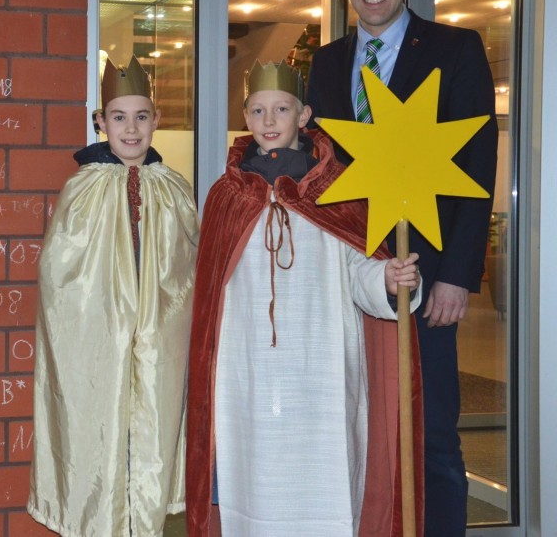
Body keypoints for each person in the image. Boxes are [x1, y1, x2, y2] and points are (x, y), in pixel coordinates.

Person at [306, 0, 499, 536]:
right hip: (349, 281)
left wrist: (457, 279)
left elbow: (476, 170)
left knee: (434, 439)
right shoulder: (327, 64)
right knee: (357, 432)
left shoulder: (456, 49)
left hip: (427, 280)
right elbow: (319, 174)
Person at [186, 60, 425, 537]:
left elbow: (357, 271)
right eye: (257, 110)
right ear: (246, 118)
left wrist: (387, 280)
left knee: (327, 476)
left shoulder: (340, 191)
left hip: (324, 371)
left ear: (304, 115)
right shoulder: (225, 195)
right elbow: (211, 293)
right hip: (245, 369)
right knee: (250, 474)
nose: (269, 120)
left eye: (281, 109)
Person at [28, 56, 199, 537]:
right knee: (97, 436)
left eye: (141, 117)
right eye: (119, 117)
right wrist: (105, 318)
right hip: (97, 340)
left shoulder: (174, 188)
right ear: (100, 122)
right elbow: (59, 273)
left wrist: (158, 320)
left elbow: (188, 268)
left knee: (155, 435)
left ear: (156, 121)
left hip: (159, 341)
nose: (131, 128)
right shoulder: (82, 187)